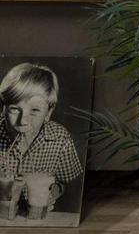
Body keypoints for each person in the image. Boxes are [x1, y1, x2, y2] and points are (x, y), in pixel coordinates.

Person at [0, 62, 83, 216]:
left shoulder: (59, 138)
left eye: (35, 110)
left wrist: (55, 192)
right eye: (14, 109)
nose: (22, 120)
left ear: (49, 112)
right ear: (3, 107)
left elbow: (73, 185)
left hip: (40, 218)